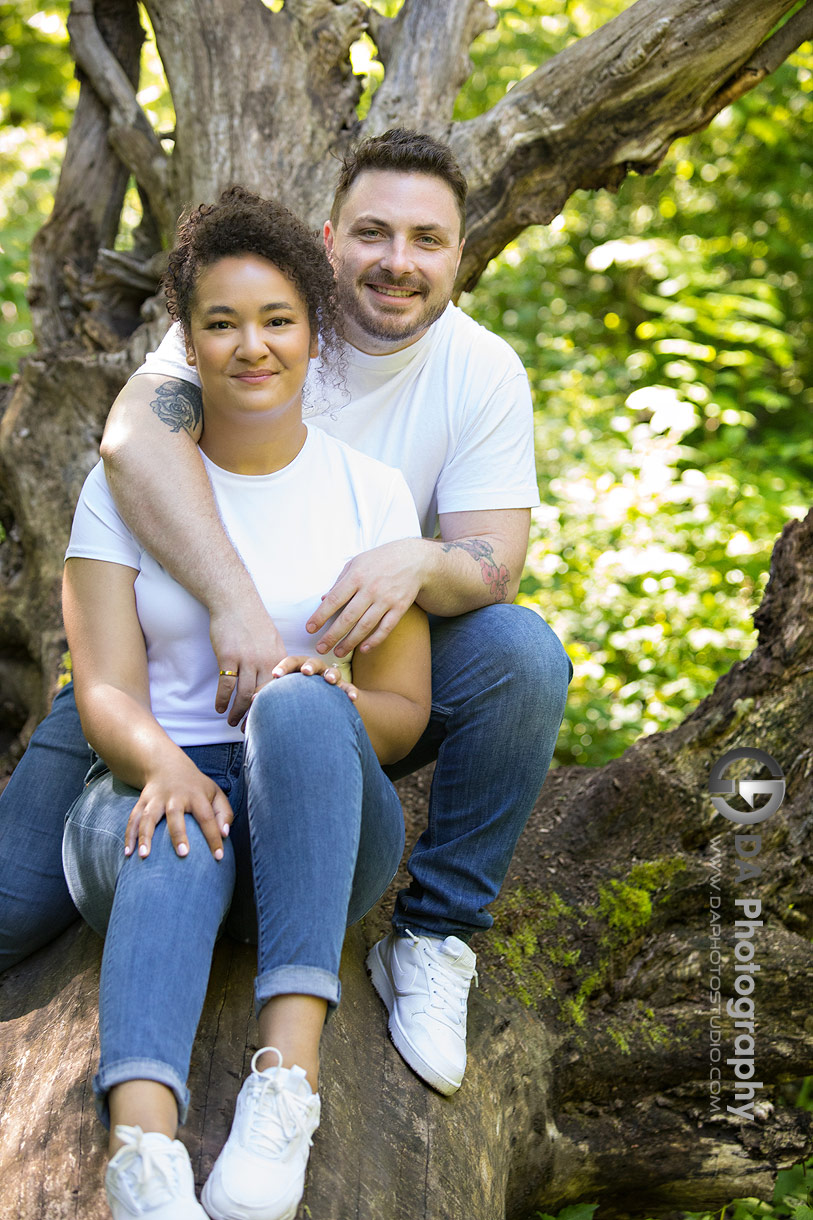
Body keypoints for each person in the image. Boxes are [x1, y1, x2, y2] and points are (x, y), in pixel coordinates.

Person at [0, 128, 571, 1096]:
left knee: (522, 650)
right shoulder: (242, 322)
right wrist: (234, 604)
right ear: (330, 237)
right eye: (374, 233)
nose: (399, 261)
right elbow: (131, 445)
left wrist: (418, 556)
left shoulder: (479, 371)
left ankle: (434, 933)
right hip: (171, 680)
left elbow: (495, 564)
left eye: (428, 239)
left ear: (461, 252)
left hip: (344, 669)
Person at [61, 186, 432, 1220]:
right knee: (179, 824)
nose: (251, 346)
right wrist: (164, 763)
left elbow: (402, 707)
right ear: (188, 341)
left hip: (311, 826)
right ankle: (143, 1153)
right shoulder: (127, 491)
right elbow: (101, 685)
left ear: (316, 336)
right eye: (221, 323)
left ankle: (287, 1083)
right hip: (152, 779)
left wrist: (328, 700)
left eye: (276, 321)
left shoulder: (371, 493)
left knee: (300, 707)